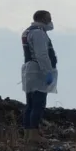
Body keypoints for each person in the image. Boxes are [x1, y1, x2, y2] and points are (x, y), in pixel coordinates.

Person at [20, 10, 58, 140]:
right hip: (38, 71)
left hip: (30, 70)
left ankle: (28, 134)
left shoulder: (28, 31)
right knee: (38, 104)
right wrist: (48, 72)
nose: (50, 21)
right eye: (49, 18)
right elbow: (42, 54)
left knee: (30, 104)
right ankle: (34, 135)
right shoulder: (38, 33)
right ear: (42, 19)